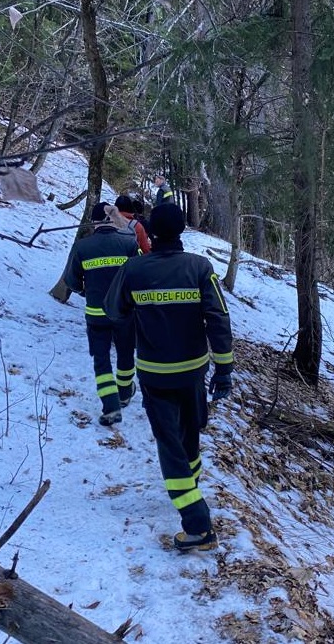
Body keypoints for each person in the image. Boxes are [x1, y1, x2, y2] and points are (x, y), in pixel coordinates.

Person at [104, 203, 234, 552]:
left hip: (156, 374)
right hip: (194, 371)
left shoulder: (134, 270)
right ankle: (187, 489)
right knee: (189, 435)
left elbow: (113, 309)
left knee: (170, 445)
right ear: (182, 231)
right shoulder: (199, 267)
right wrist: (224, 370)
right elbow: (219, 319)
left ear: (151, 232)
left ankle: (198, 525)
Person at [64, 202, 139, 426]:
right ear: (114, 219)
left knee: (101, 359)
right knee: (125, 354)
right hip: (125, 312)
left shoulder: (82, 247)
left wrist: (85, 290)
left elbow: (72, 281)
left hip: (96, 314)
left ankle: (110, 407)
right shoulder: (128, 243)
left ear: (94, 221)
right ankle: (125, 393)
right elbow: (140, 273)